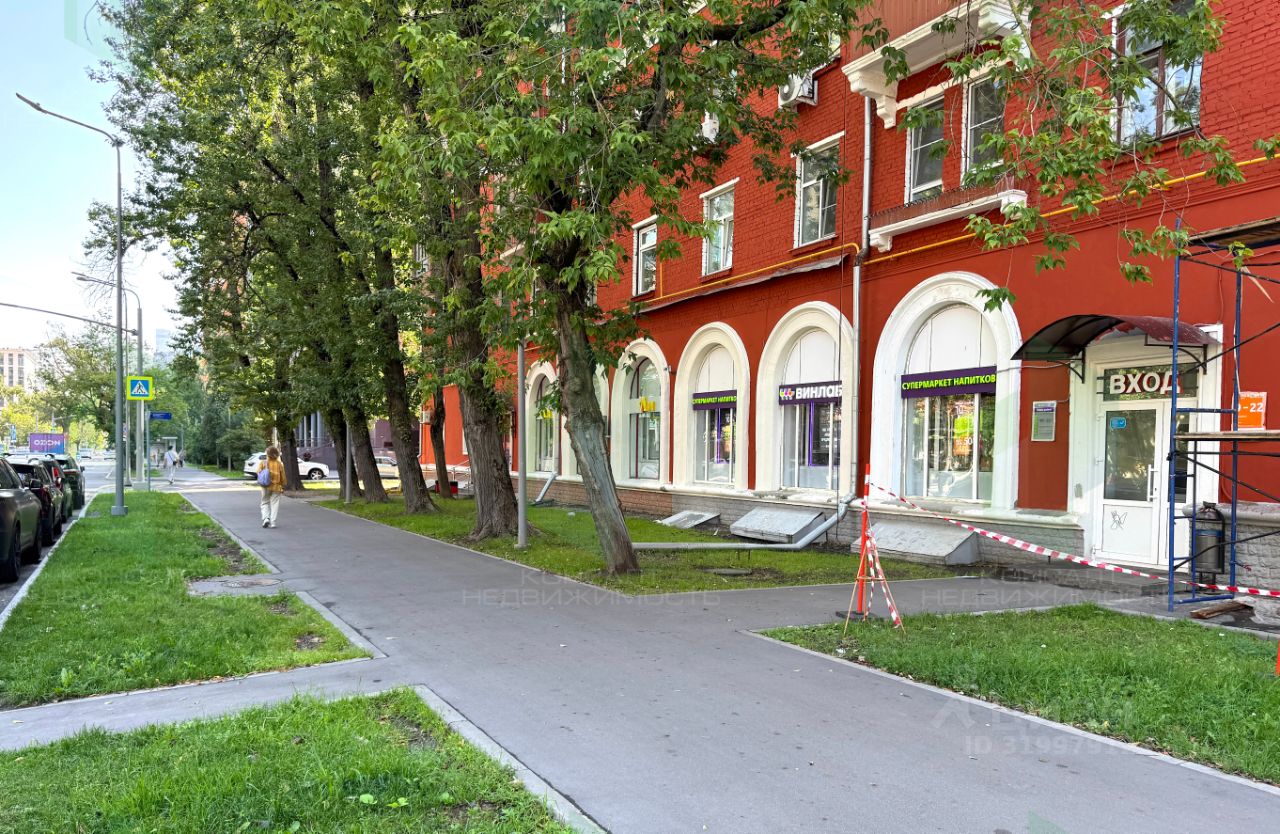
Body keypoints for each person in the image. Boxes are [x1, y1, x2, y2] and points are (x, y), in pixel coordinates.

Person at [257, 446, 286, 528]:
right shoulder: (279, 464)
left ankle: (266, 518)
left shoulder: (263, 463)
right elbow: (283, 477)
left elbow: (258, 472)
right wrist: (283, 485)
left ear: (267, 454)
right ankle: (273, 522)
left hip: (265, 486)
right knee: (275, 504)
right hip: (276, 487)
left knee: (265, 502)